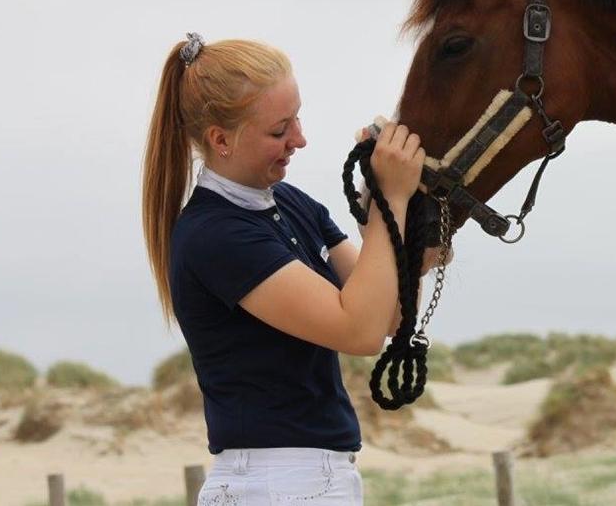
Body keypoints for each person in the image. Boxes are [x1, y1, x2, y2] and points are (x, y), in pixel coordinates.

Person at [142, 33, 431, 505]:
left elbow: (390, 317)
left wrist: (407, 220)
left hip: (308, 478)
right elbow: (358, 332)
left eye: (297, 117)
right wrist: (388, 202)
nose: (299, 138)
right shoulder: (217, 234)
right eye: (279, 130)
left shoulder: (293, 203)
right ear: (221, 140)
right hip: (274, 482)